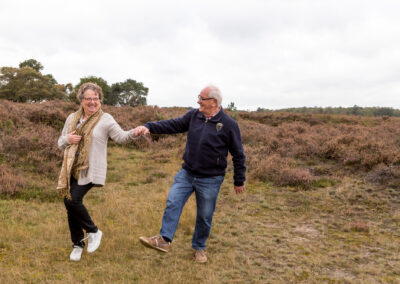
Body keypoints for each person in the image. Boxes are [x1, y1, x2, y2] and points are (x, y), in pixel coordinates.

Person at [134, 85, 246, 263]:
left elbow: (239, 154)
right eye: (199, 97)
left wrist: (239, 180)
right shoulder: (194, 115)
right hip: (187, 173)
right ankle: (164, 240)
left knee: (204, 215)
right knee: (173, 201)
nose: (198, 101)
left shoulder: (229, 124)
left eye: (202, 98)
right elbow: (173, 125)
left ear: (214, 102)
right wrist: (149, 126)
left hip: (211, 178)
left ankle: (199, 248)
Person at [57, 82, 136, 261]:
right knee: (70, 206)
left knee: (72, 200)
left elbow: (122, 137)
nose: (92, 102)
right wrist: (67, 138)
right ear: (81, 100)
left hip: (91, 170)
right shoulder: (72, 118)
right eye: (88, 99)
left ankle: (93, 231)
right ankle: (77, 244)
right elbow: (60, 143)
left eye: (96, 98)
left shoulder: (105, 119)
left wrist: (135, 133)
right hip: (71, 168)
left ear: (100, 100)